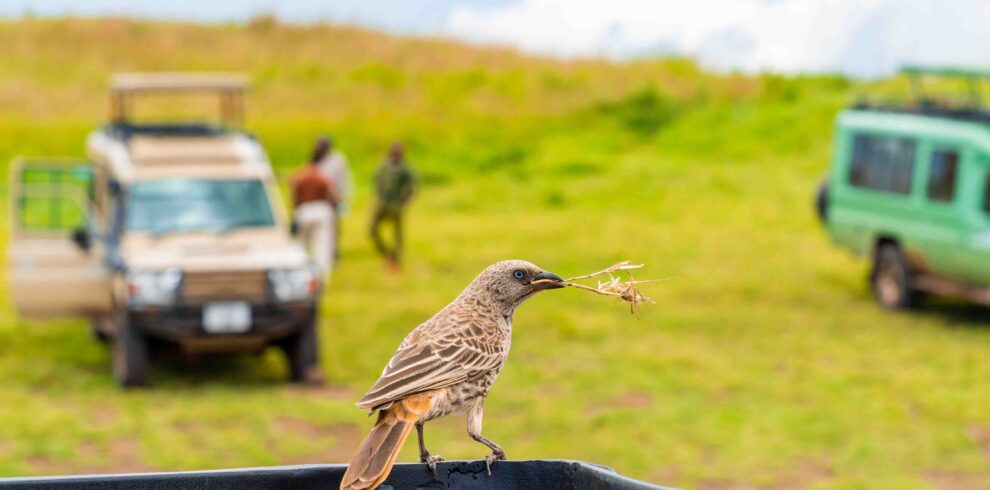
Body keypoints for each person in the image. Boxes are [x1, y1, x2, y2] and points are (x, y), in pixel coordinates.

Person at [290, 144, 339, 276]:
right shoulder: (321, 175)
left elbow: (294, 196)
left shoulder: (301, 174)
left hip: (303, 210)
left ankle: (298, 273)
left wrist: (294, 214)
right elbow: (332, 195)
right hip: (321, 210)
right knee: (322, 248)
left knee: (301, 245)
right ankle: (320, 276)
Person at [370, 142, 416, 272]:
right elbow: (377, 181)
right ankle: (386, 253)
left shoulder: (404, 169)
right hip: (382, 204)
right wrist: (377, 197)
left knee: (397, 234)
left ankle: (395, 260)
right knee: (372, 229)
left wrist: (404, 201)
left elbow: (412, 186)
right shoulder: (384, 166)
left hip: (396, 206)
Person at [315, 136, 351, 260]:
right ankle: (325, 252)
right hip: (320, 198)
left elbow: (344, 179)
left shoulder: (337, 160)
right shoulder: (316, 160)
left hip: (334, 198)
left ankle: (335, 253)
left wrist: (343, 197)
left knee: (334, 227)